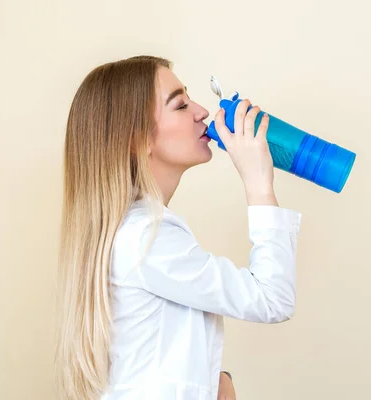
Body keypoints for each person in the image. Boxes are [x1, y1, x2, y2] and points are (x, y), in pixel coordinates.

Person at [54, 55, 302, 400]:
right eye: (181, 104)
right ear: (139, 139)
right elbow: (272, 299)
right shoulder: (145, 236)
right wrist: (258, 181)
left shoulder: (135, 231)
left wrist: (217, 382)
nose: (202, 111)